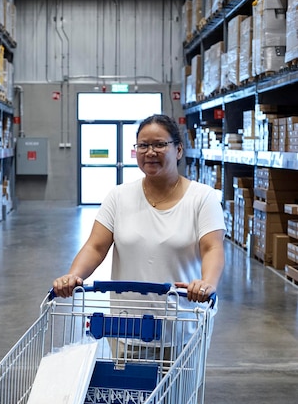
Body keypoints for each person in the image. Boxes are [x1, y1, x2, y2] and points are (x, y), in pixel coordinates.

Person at [53, 114, 225, 308]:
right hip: (127, 322)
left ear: (178, 150)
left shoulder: (202, 198)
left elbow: (212, 248)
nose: (150, 152)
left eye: (159, 145)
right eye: (143, 146)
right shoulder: (118, 197)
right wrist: (73, 276)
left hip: (182, 323)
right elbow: (95, 247)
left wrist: (207, 283)